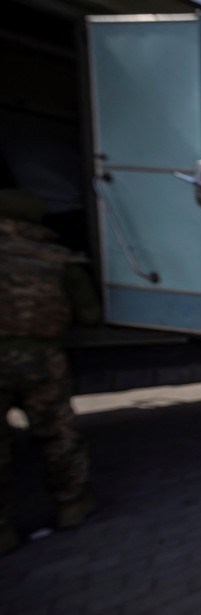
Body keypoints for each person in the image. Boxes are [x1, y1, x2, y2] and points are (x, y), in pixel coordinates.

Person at [0, 213, 94, 555]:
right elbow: (88, 313)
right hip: (43, 359)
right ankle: (73, 506)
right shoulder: (55, 256)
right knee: (58, 435)